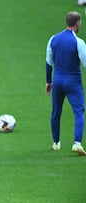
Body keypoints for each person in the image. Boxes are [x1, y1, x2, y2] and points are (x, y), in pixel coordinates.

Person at [45, 11, 86, 156]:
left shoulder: (53, 39)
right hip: (73, 82)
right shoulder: (78, 42)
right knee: (79, 112)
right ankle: (77, 143)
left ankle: (56, 143)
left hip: (58, 81)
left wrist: (48, 81)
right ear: (77, 23)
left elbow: (49, 62)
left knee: (56, 112)